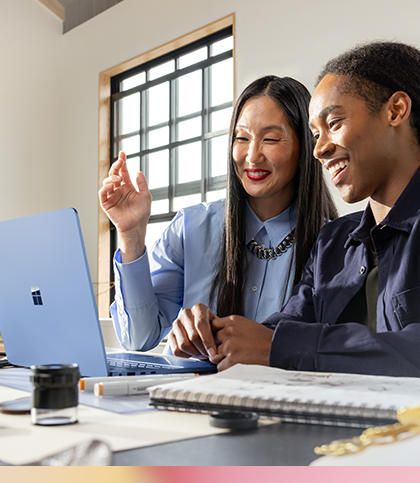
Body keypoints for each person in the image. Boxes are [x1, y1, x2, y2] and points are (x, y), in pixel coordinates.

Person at [205, 42, 420, 379]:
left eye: (334, 123)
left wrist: (292, 347)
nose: (320, 149)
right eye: (315, 134)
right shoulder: (333, 241)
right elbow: (281, 332)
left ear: (395, 110)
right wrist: (216, 336)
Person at [99, 75, 338, 357]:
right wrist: (131, 234)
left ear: (306, 147)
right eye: (242, 138)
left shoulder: (332, 246)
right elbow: (139, 338)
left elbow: (324, 353)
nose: (252, 156)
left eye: (270, 139)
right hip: (186, 394)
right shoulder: (190, 228)